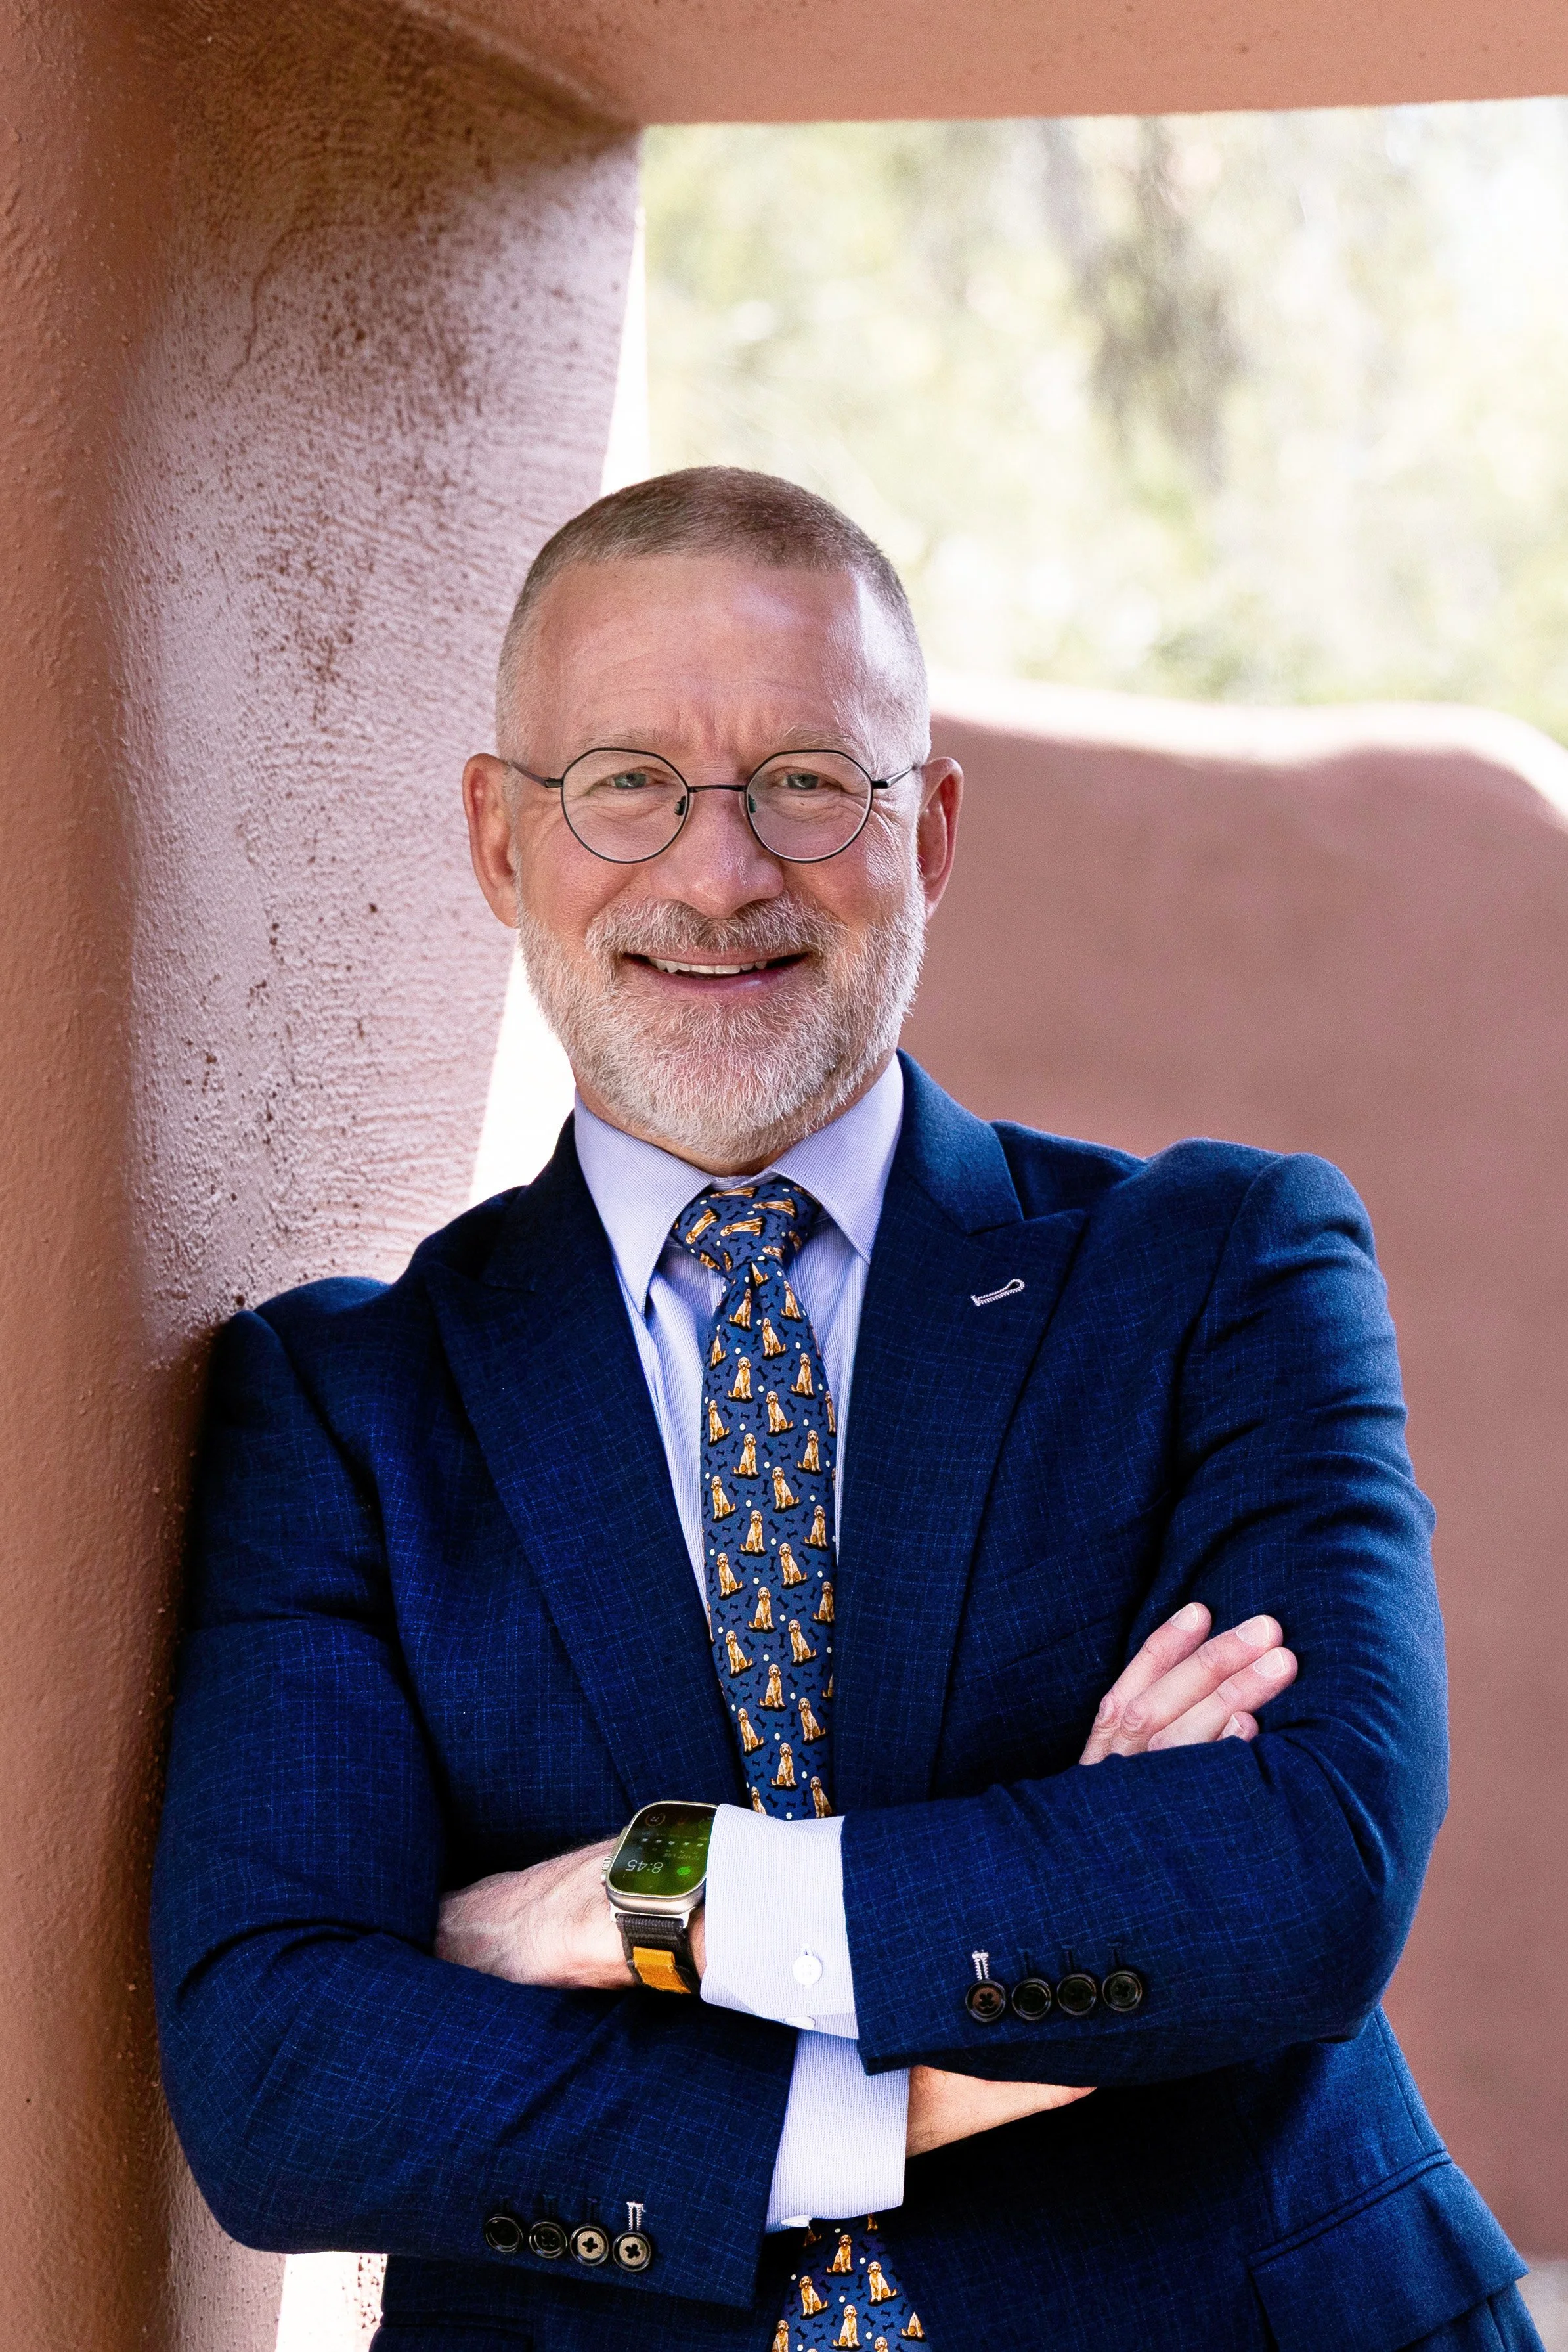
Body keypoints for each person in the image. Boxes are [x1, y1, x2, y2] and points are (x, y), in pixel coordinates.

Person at [150, 467, 1539, 2352]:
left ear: (929, 826)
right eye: (626, 782)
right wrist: (906, 2084)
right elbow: (282, 2075)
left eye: (806, 780)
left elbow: (1300, 1869)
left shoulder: (1217, 1267)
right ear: (498, 837)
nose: (717, 872)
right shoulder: (343, 1406)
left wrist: (636, 1899)